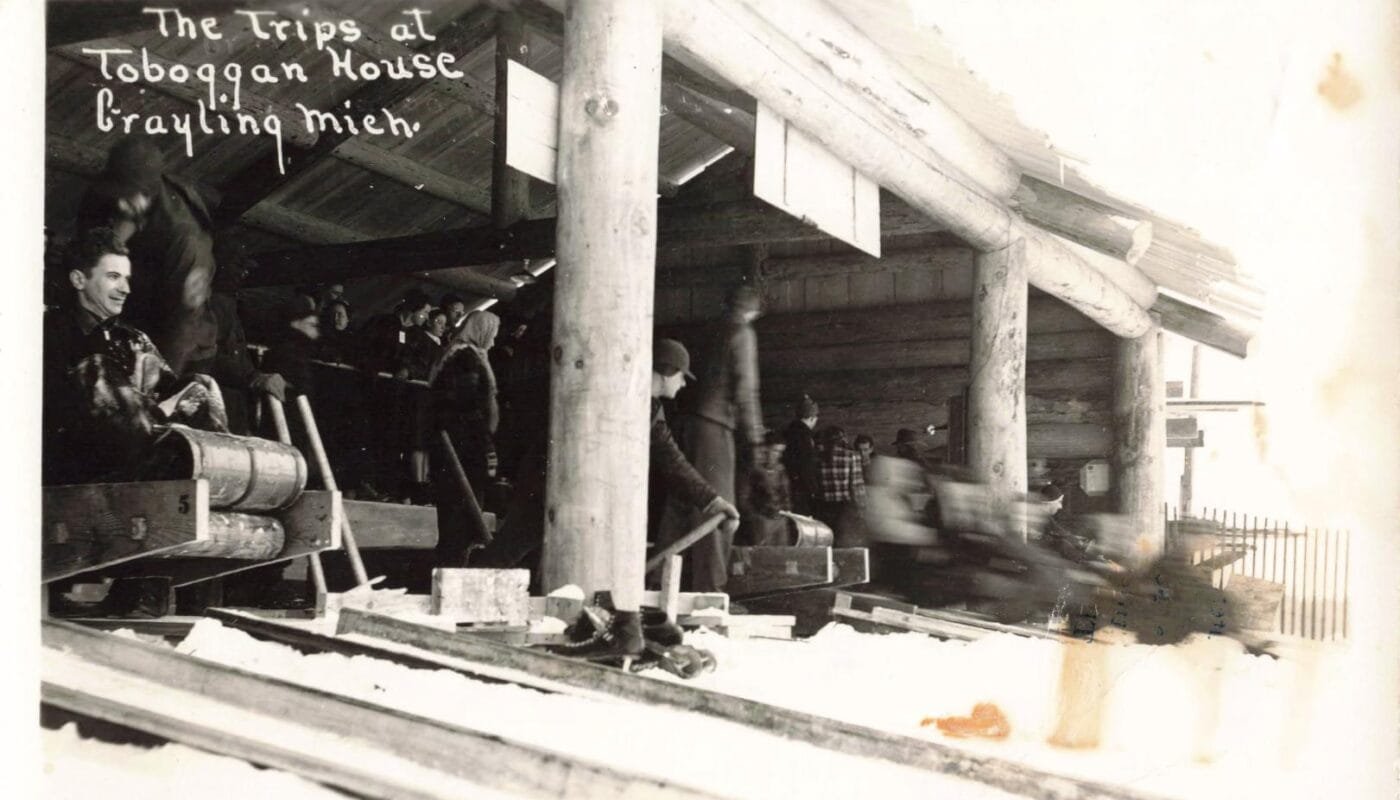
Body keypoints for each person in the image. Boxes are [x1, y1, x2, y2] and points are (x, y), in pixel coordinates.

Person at [567, 339, 741, 660]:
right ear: (666, 370)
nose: (683, 384)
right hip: (571, 485)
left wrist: (712, 501)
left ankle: (604, 627)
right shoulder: (622, 395)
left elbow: (670, 458)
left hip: (603, 494)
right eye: (681, 376)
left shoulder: (651, 408)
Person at [43, 227, 228, 485]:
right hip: (82, 466)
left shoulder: (133, 339)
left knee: (202, 385)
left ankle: (220, 474)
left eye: (126, 279)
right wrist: (154, 411)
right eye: (113, 277)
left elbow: (172, 392)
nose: (125, 289)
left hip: (146, 450)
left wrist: (162, 410)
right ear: (78, 280)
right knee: (97, 370)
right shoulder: (50, 331)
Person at [76, 140, 220, 376]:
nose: (119, 203)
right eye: (116, 194)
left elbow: (184, 321)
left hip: (180, 346)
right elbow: (84, 256)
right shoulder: (107, 195)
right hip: (131, 326)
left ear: (148, 194)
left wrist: (162, 385)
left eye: (129, 196)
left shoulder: (186, 239)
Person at [660, 285, 764, 592]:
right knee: (719, 508)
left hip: (687, 424)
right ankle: (710, 592)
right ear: (753, 311)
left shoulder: (709, 328)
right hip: (714, 427)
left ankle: (655, 586)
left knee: (680, 506)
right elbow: (746, 389)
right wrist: (755, 439)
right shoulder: (742, 333)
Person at [186, 237, 287, 435]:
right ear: (219, 265)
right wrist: (254, 378)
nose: (245, 272)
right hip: (218, 410)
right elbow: (207, 357)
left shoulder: (227, 304)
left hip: (231, 409)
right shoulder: (213, 304)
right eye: (238, 265)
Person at [428, 310, 501, 567]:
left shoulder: (459, 355)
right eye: (491, 335)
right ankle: (455, 570)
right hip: (463, 447)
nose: (492, 342)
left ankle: (453, 567)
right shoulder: (465, 359)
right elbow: (466, 405)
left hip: (457, 446)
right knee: (461, 515)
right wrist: (484, 441)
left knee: (455, 515)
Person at [814, 426, 867, 546]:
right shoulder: (851, 455)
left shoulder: (817, 457)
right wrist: (862, 508)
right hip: (844, 507)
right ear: (843, 439)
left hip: (823, 506)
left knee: (827, 541)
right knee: (844, 541)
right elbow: (857, 486)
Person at [738, 430, 792, 546]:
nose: (779, 455)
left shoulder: (780, 469)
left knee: (782, 555)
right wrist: (756, 518)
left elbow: (785, 494)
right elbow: (743, 499)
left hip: (780, 520)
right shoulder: (752, 470)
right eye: (775, 451)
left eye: (781, 452)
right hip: (761, 522)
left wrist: (786, 512)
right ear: (765, 449)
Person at [782, 394, 822, 514]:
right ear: (812, 418)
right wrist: (813, 488)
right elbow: (806, 463)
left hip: (789, 483)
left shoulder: (789, 431)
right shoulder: (805, 436)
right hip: (801, 488)